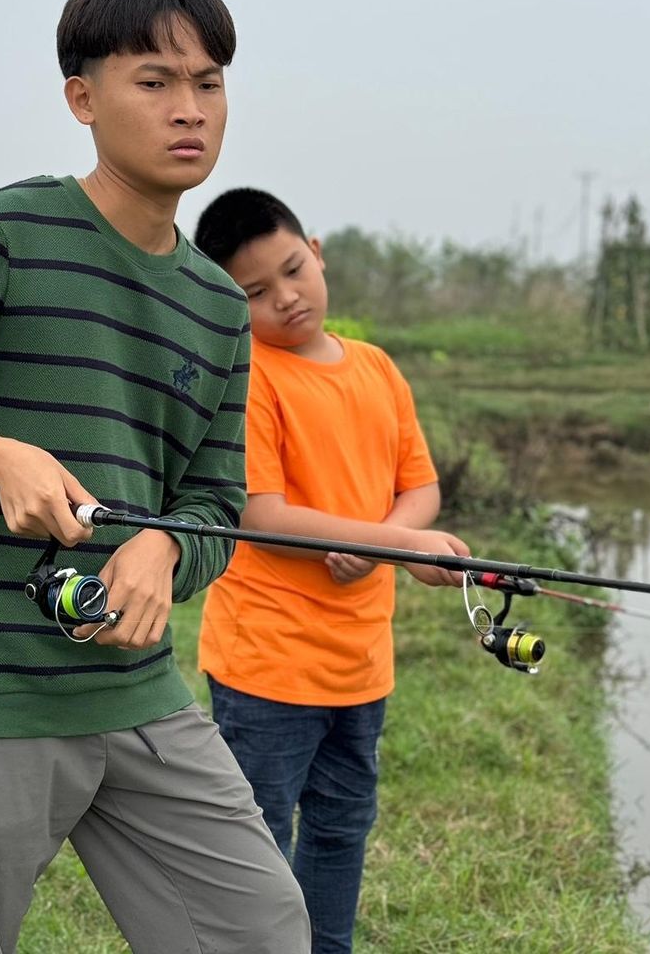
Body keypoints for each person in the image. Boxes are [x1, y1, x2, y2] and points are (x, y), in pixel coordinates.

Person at [0, 0, 309, 954]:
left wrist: (160, 552)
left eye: (209, 82)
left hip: (138, 690)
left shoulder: (217, 306)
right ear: (83, 98)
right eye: (155, 81)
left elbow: (213, 502)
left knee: (262, 927)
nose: (189, 109)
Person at [193, 188, 470, 954]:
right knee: (256, 839)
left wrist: (388, 542)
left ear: (316, 250)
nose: (285, 299)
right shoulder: (249, 378)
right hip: (268, 666)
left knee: (343, 827)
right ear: (225, 300)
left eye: (292, 270)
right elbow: (260, 515)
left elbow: (421, 488)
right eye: (255, 292)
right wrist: (392, 545)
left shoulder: (376, 368)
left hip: (361, 663)